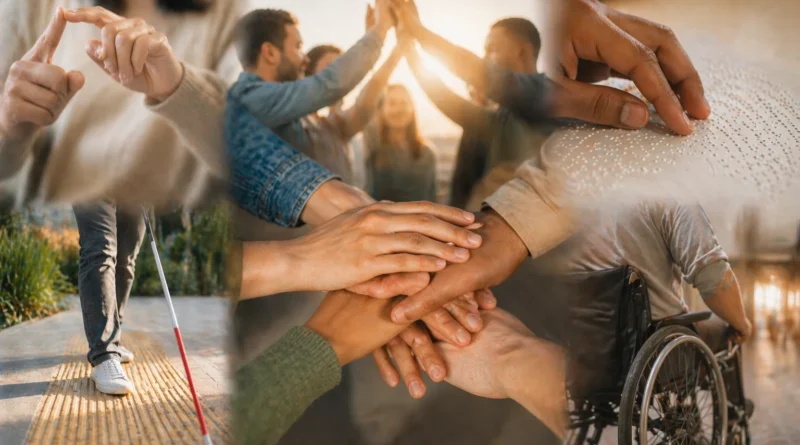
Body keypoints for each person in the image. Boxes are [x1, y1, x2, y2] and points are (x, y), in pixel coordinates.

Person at [0, 0, 243, 396]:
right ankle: (103, 352)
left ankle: (112, 333)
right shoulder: (62, 23)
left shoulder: (149, 31)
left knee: (128, 253)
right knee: (101, 249)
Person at [405, 16, 549, 210]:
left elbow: (477, 71)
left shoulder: (546, 93)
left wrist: (417, 30)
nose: (484, 58)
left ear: (523, 52)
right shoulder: (503, 116)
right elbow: (452, 104)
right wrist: (410, 54)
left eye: (492, 49)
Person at [363, 83, 438, 203]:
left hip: (418, 220)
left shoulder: (428, 154)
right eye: (392, 103)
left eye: (404, 103)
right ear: (380, 109)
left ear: (413, 108)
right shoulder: (373, 146)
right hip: (379, 220)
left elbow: (432, 199)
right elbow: (366, 104)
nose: (399, 109)